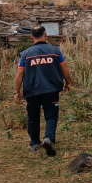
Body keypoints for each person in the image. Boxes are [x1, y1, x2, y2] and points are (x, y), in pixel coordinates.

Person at [13, 26, 73, 156]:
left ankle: (34, 144)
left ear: (31, 37)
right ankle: (49, 138)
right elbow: (64, 68)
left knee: (33, 117)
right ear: (45, 35)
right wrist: (68, 82)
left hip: (32, 92)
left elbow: (20, 72)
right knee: (51, 115)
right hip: (51, 90)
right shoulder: (55, 51)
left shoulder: (26, 54)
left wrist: (16, 91)